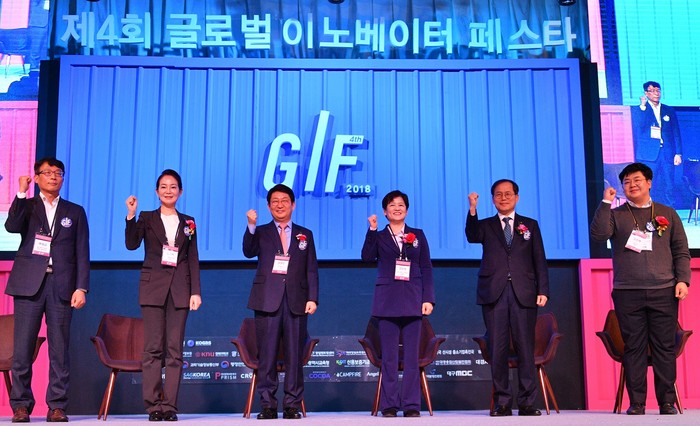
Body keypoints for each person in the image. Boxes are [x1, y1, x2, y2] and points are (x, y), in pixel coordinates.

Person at [590, 162, 690, 416]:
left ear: (649, 183)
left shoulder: (667, 213)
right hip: (627, 291)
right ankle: (637, 403)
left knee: (664, 347)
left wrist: (683, 280)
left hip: (664, 290)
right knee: (633, 347)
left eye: (636, 180)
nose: (631, 185)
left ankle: (666, 402)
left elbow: (681, 250)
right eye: (626, 182)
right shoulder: (616, 214)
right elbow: (599, 234)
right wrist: (605, 202)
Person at [4, 157, 90, 423]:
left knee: (59, 349)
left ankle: (57, 406)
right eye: (48, 172)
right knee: (22, 348)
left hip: (61, 285)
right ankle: (21, 406)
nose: (53, 176)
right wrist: (20, 193)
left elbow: (82, 252)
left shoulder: (75, 211)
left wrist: (81, 287)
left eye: (58, 172)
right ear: (37, 177)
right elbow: (11, 226)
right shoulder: (27, 206)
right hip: (29, 284)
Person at [465, 179, 548, 417]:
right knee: (497, 348)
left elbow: (539, 259)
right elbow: (472, 235)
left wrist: (543, 290)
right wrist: (473, 209)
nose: (504, 198)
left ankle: (527, 402)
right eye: (499, 195)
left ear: (517, 197)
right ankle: (502, 402)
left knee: (525, 348)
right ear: (493, 200)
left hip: (525, 292)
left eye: (508, 194)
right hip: (494, 292)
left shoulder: (530, 225)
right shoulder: (486, 225)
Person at [125, 169, 202, 422]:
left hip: (180, 289)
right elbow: (131, 244)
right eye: (164, 187)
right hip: (152, 288)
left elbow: (192, 258)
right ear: (157, 191)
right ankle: (153, 406)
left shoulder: (189, 222)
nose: (169, 191)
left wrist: (195, 292)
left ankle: (170, 406)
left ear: (180, 191)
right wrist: (131, 215)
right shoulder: (146, 217)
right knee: (153, 349)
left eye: (173, 187)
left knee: (175, 350)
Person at [242, 184, 319, 420]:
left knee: (295, 355)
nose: (279, 205)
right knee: (267, 354)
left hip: (297, 300)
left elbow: (311, 269)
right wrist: (251, 226)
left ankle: (292, 404)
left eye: (284, 200)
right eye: (274, 201)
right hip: (267, 299)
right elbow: (248, 251)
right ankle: (267, 405)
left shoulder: (305, 234)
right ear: (268, 206)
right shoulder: (261, 231)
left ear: (293, 205)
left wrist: (313, 298)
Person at [361, 190, 435, 418]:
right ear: (385, 212)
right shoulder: (380, 235)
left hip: (413, 299)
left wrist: (428, 299)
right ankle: (390, 405)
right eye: (392, 205)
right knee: (390, 358)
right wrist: (372, 230)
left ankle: (412, 405)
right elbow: (366, 256)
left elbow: (426, 267)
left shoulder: (417, 235)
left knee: (412, 357)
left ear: (407, 210)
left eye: (401, 204)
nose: (397, 208)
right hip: (387, 301)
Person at [632, 81, 683, 206]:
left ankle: (670, 212)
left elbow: (676, 132)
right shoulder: (640, 109)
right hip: (649, 155)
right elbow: (639, 126)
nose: (656, 93)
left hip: (666, 152)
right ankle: (648, 211)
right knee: (649, 184)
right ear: (646, 93)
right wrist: (643, 107)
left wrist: (678, 153)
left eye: (658, 90)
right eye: (652, 91)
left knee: (669, 184)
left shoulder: (668, 110)